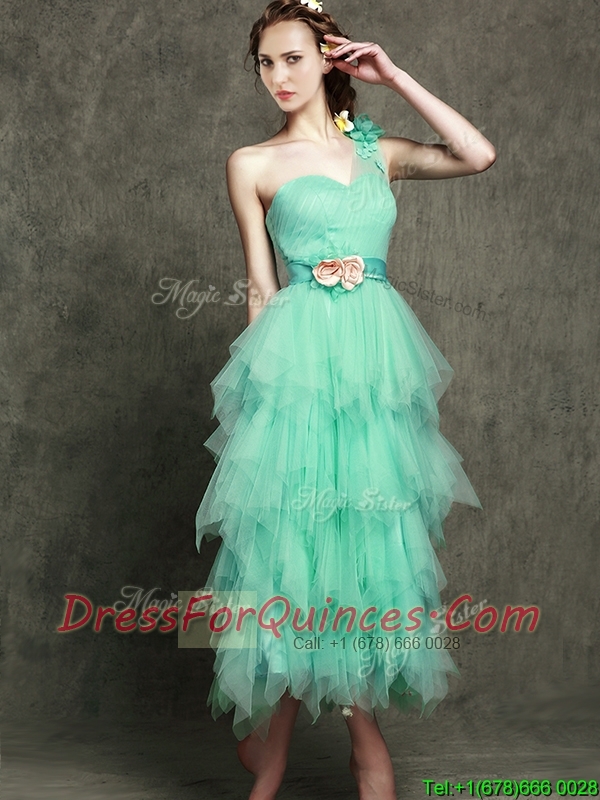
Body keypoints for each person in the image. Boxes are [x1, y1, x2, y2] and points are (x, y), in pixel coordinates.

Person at [195, 0, 495, 797]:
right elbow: (261, 289)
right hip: (298, 371)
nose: (278, 76)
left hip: (371, 373)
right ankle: (299, 752)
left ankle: (308, 748)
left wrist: (395, 76)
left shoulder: (378, 153)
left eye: (294, 58)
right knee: (297, 550)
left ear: (329, 58)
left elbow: (478, 154)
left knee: (364, 545)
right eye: (266, 63)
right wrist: (258, 409)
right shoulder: (251, 162)